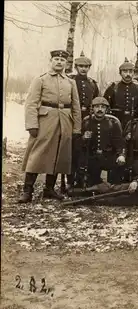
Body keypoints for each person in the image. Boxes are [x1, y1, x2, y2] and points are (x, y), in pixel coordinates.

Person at [18, 49, 81, 203]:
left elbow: (76, 106)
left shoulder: (71, 82)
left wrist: (77, 128)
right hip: (45, 121)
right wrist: (32, 125)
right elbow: (31, 103)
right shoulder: (40, 80)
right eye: (56, 59)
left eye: (62, 60)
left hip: (65, 120)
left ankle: (49, 189)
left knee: (59, 155)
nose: (59, 62)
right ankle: (27, 190)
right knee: (37, 154)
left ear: (66, 63)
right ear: (51, 61)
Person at [66, 51, 100, 191]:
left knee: (88, 149)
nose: (83, 69)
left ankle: (86, 180)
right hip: (73, 118)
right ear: (76, 67)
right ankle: (70, 180)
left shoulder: (92, 83)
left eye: (86, 66)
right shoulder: (70, 81)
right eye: (81, 66)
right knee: (74, 150)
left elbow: (97, 100)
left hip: (88, 120)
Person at [78, 97, 126, 187]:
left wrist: (121, 155)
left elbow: (119, 142)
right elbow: (79, 145)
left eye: (103, 107)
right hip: (92, 157)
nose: (100, 109)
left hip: (108, 156)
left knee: (116, 178)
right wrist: (84, 138)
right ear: (92, 109)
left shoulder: (113, 123)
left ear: (106, 109)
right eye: (97, 107)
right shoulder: (87, 122)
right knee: (91, 185)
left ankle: (113, 186)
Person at [103, 57, 138, 129]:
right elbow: (105, 105)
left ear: (133, 73)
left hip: (134, 122)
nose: (128, 74)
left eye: (130, 71)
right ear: (120, 73)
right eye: (125, 71)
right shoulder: (113, 88)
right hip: (116, 121)